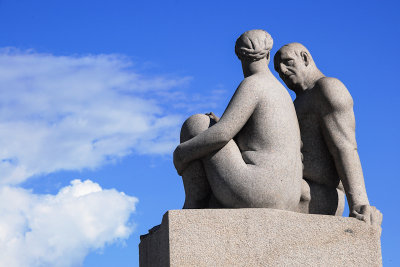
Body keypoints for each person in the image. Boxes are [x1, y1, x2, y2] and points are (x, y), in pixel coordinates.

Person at [173, 30, 303, 210]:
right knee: (209, 128)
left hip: (258, 190)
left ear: (239, 56)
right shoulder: (281, 91)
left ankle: (194, 205)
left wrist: (181, 153)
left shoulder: (253, 84)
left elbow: (222, 134)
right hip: (289, 197)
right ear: (267, 54)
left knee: (197, 123)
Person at [274, 43, 382, 226]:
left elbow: (344, 147)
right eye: (278, 69)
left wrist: (359, 204)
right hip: (296, 184)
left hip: (318, 194)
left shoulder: (328, 88)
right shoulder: (297, 103)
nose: (283, 71)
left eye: (288, 62)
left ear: (305, 58)